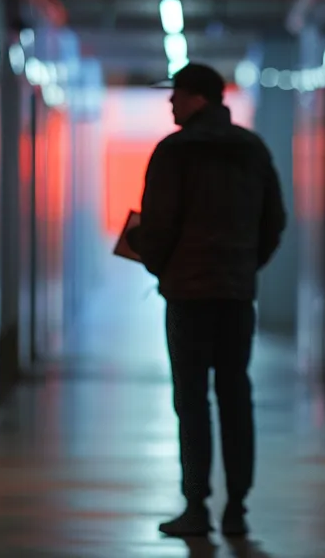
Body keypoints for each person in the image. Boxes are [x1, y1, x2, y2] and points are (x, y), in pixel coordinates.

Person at [125, 63, 286, 537]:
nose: (170, 102)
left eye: (176, 94)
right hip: (235, 296)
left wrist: (161, 265)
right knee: (236, 394)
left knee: (191, 401)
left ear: (198, 98)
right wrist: (243, 266)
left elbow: (157, 227)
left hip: (188, 298)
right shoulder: (252, 149)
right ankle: (237, 509)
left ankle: (196, 507)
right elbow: (274, 220)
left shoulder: (174, 152)